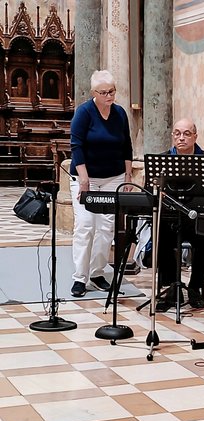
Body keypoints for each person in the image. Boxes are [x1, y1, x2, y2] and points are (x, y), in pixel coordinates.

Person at [69, 70, 133, 297]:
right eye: (104, 92)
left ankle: (97, 273)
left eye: (112, 91)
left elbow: (126, 146)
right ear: (93, 93)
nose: (109, 96)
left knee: (106, 228)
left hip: (113, 178)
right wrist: (84, 179)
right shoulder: (84, 112)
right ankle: (80, 277)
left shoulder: (120, 113)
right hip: (86, 178)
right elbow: (76, 146)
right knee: (85, 225)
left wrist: (128, 176)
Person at [155, 118, 204, 310]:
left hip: (195, 218)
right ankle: (172, 286)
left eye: (187, 134)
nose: (181, 138)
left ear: (195, 137)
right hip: (170, 219)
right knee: (160, 234)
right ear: (173, 136)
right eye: (177, 133)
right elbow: (152, 191)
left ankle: (195, 287)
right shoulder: (162, 160)